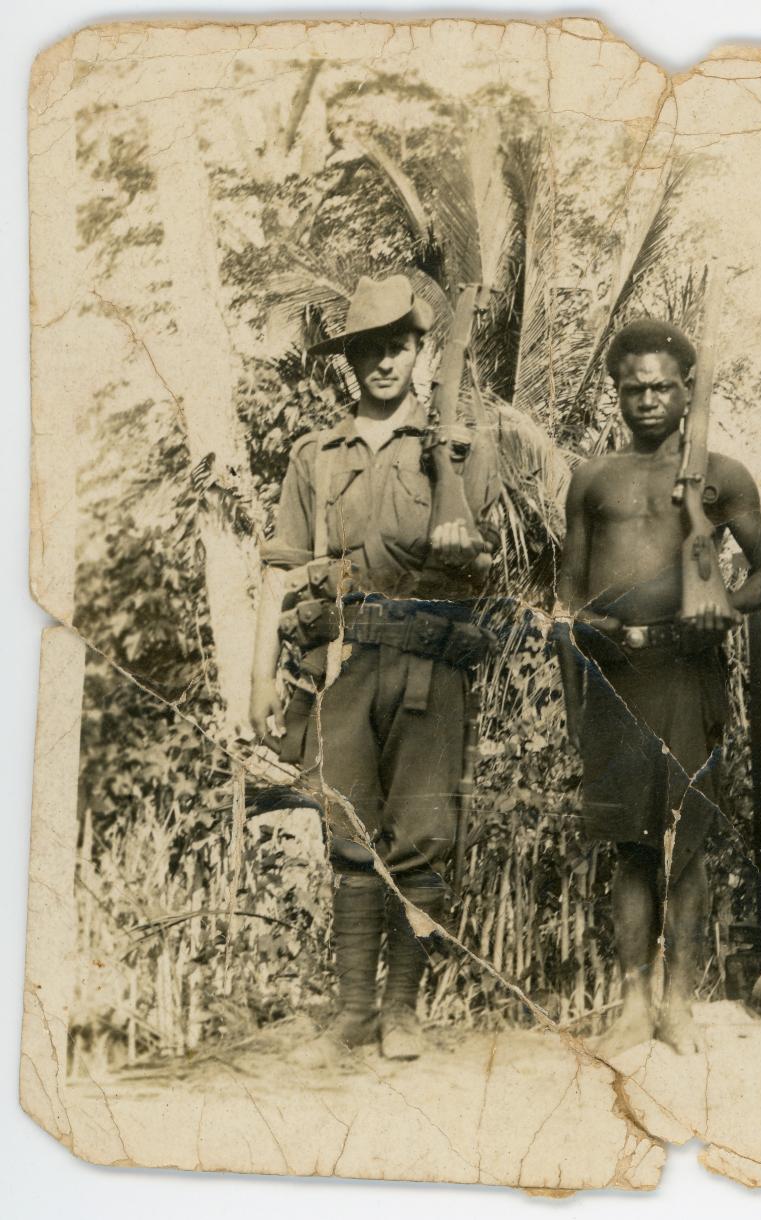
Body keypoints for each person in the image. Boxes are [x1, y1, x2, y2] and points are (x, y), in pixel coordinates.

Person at [249, 274, 503, 1065]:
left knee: (423, 837)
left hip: (431, 664)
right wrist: (261, 677)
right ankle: (353, 1011)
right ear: (349, 361)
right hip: (346, 661)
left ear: (423, 352)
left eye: (398, 345)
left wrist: (468, 543)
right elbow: (280, 569)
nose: (383, 363)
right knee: (349, 832)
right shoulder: (315, 458)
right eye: (368, 350)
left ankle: (402, 1012)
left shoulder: (460, 451)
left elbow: (488, 571)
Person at [557, 318, 761, 1057]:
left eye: (662, 387)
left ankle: (679, 1003)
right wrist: (577, 653)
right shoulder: (594, 477)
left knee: (686, 844)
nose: (649, 400)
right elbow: (566, 594)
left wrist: (725, 607)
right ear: (616, 394)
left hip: (688, 672)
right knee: (629, 844)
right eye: (634, 389)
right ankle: (632, 1003)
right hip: (616, 674)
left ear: (687, 392)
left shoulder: (722, 474)